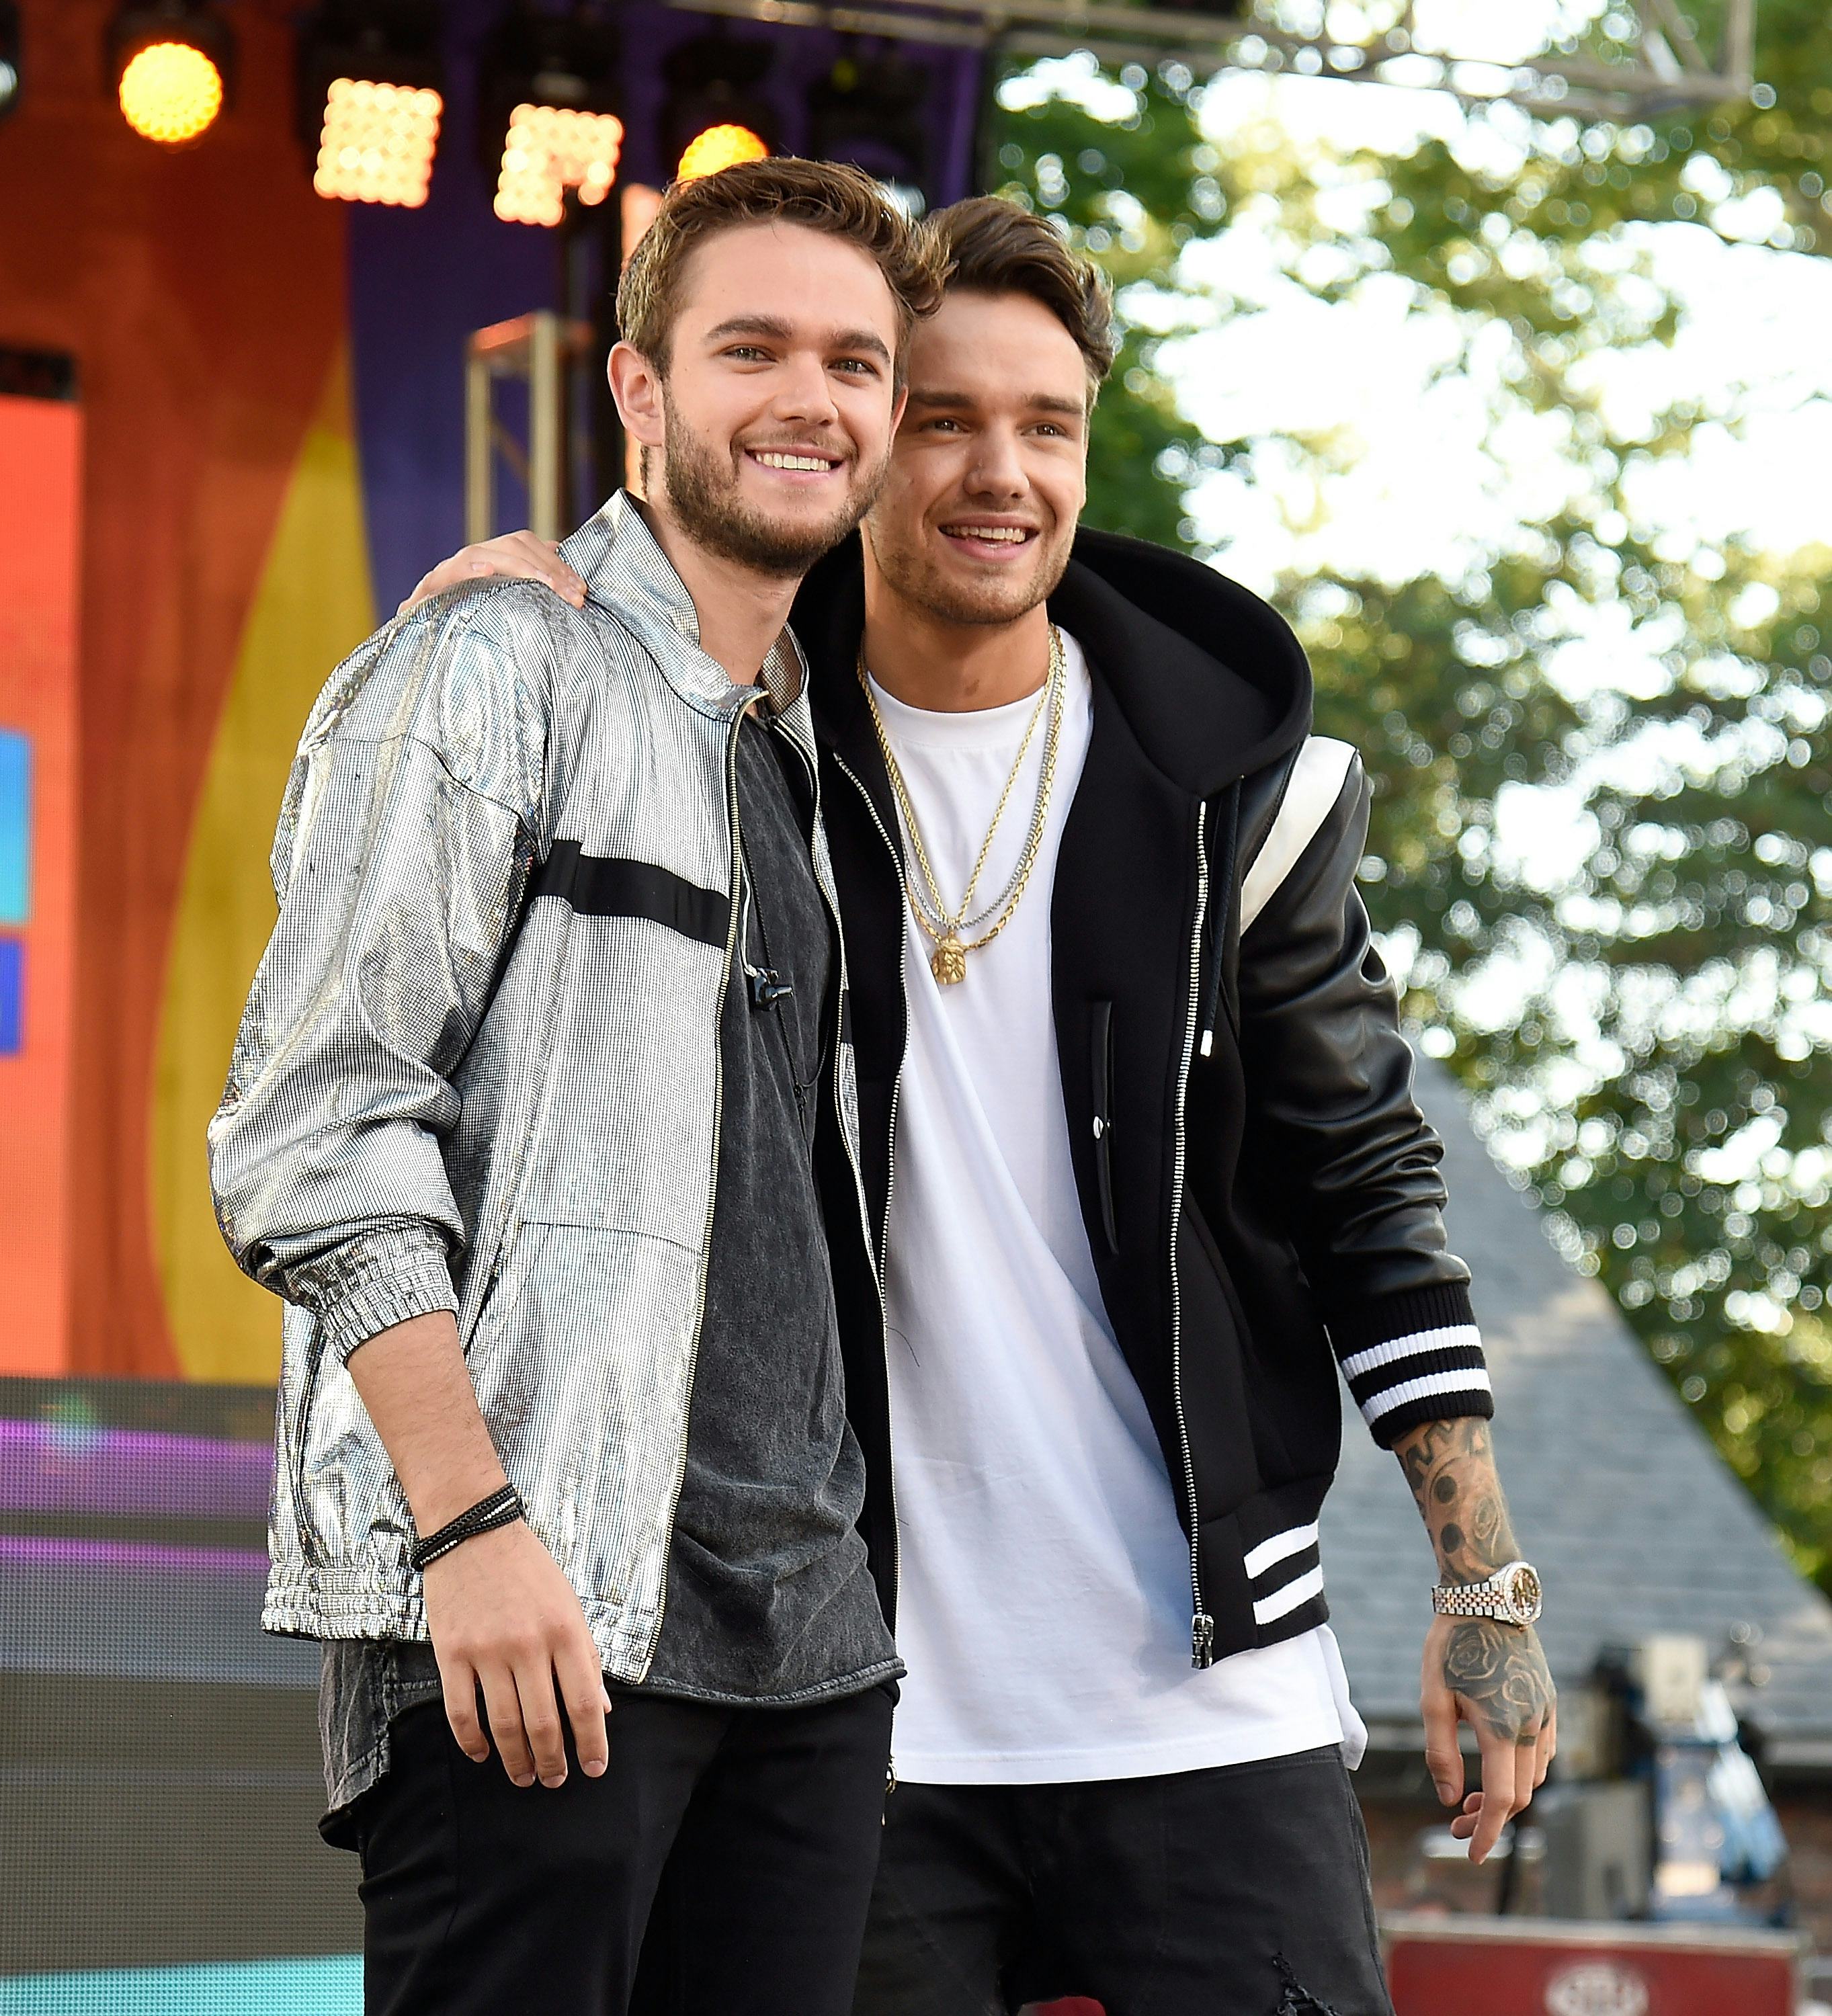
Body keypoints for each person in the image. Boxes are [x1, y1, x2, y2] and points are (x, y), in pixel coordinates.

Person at [403, 196, 1557, 2016]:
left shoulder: (1229, 802)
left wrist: (1484, 1592)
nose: (997, 471)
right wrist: (526, 586)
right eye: (941, 417)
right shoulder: (730, 739)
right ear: (864, 440)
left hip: (1205, 1692)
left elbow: (1367, 1185)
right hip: (841, 1706)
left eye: (1049, 425)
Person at [207, 159, 948, 2016]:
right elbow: (314, 1130)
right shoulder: (492, 661)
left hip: (812, 1662)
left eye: (857, 363)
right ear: (636, 390)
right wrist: (467, 1528)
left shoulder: (819, 763)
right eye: (752, 348)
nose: (813, 399)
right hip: (535, 1633)